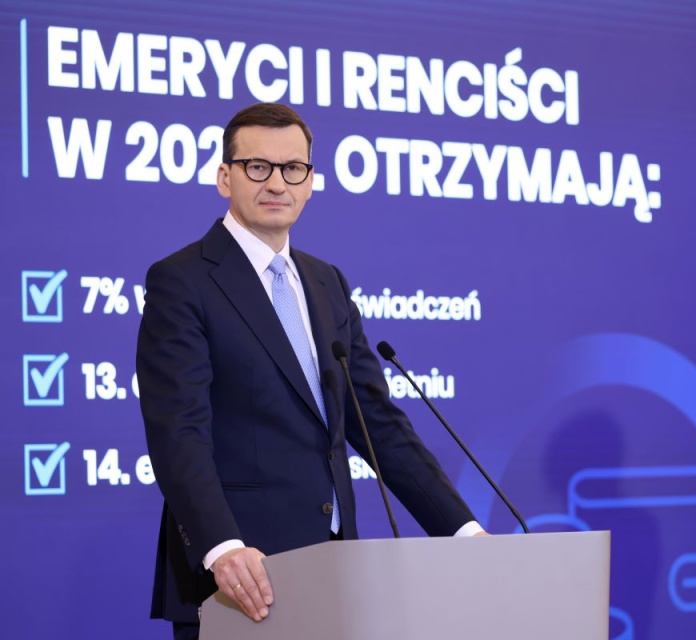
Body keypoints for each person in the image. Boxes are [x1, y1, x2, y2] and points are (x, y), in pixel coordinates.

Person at [136, 102, 483, 640]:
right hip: (241, 579)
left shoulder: (326, 282)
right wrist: (221, 546)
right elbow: (177, 431)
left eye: (293, 168)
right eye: (258, 167)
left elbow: (378, 425)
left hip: (334, 573)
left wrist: (462, 530)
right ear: (224, 177)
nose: (277, 182)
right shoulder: (182, 281)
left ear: (311, 181)